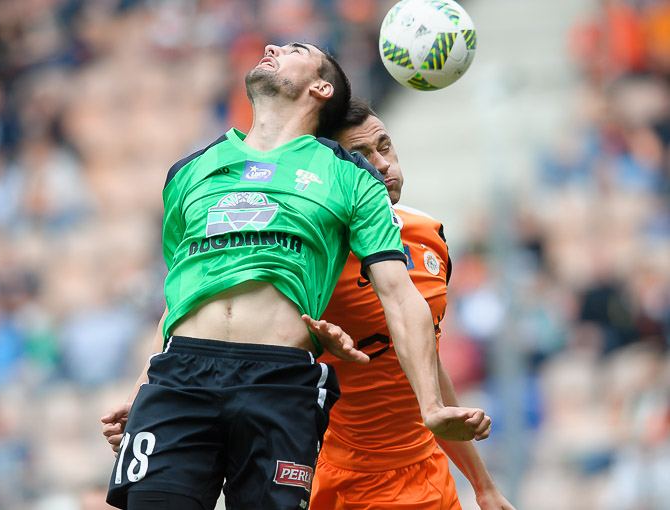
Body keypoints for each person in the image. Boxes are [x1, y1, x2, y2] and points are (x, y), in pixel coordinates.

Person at [101, 43, 491, 510]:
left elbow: (403, 301)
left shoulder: (352, 178)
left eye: (294, 49)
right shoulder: (189, 171)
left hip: (279, 381)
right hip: (181, 376)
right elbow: (182, 296)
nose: (272, 47)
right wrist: (142, 387)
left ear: (321, 87)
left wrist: (434, 409)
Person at [305, 98, 514, 510]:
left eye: (384, 146)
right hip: (339, 478)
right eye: (362, 156)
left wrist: (483, 486)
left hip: (427, 474)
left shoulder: (428, 234)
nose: (383, 165)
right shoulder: (313, 253)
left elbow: (427, 363)